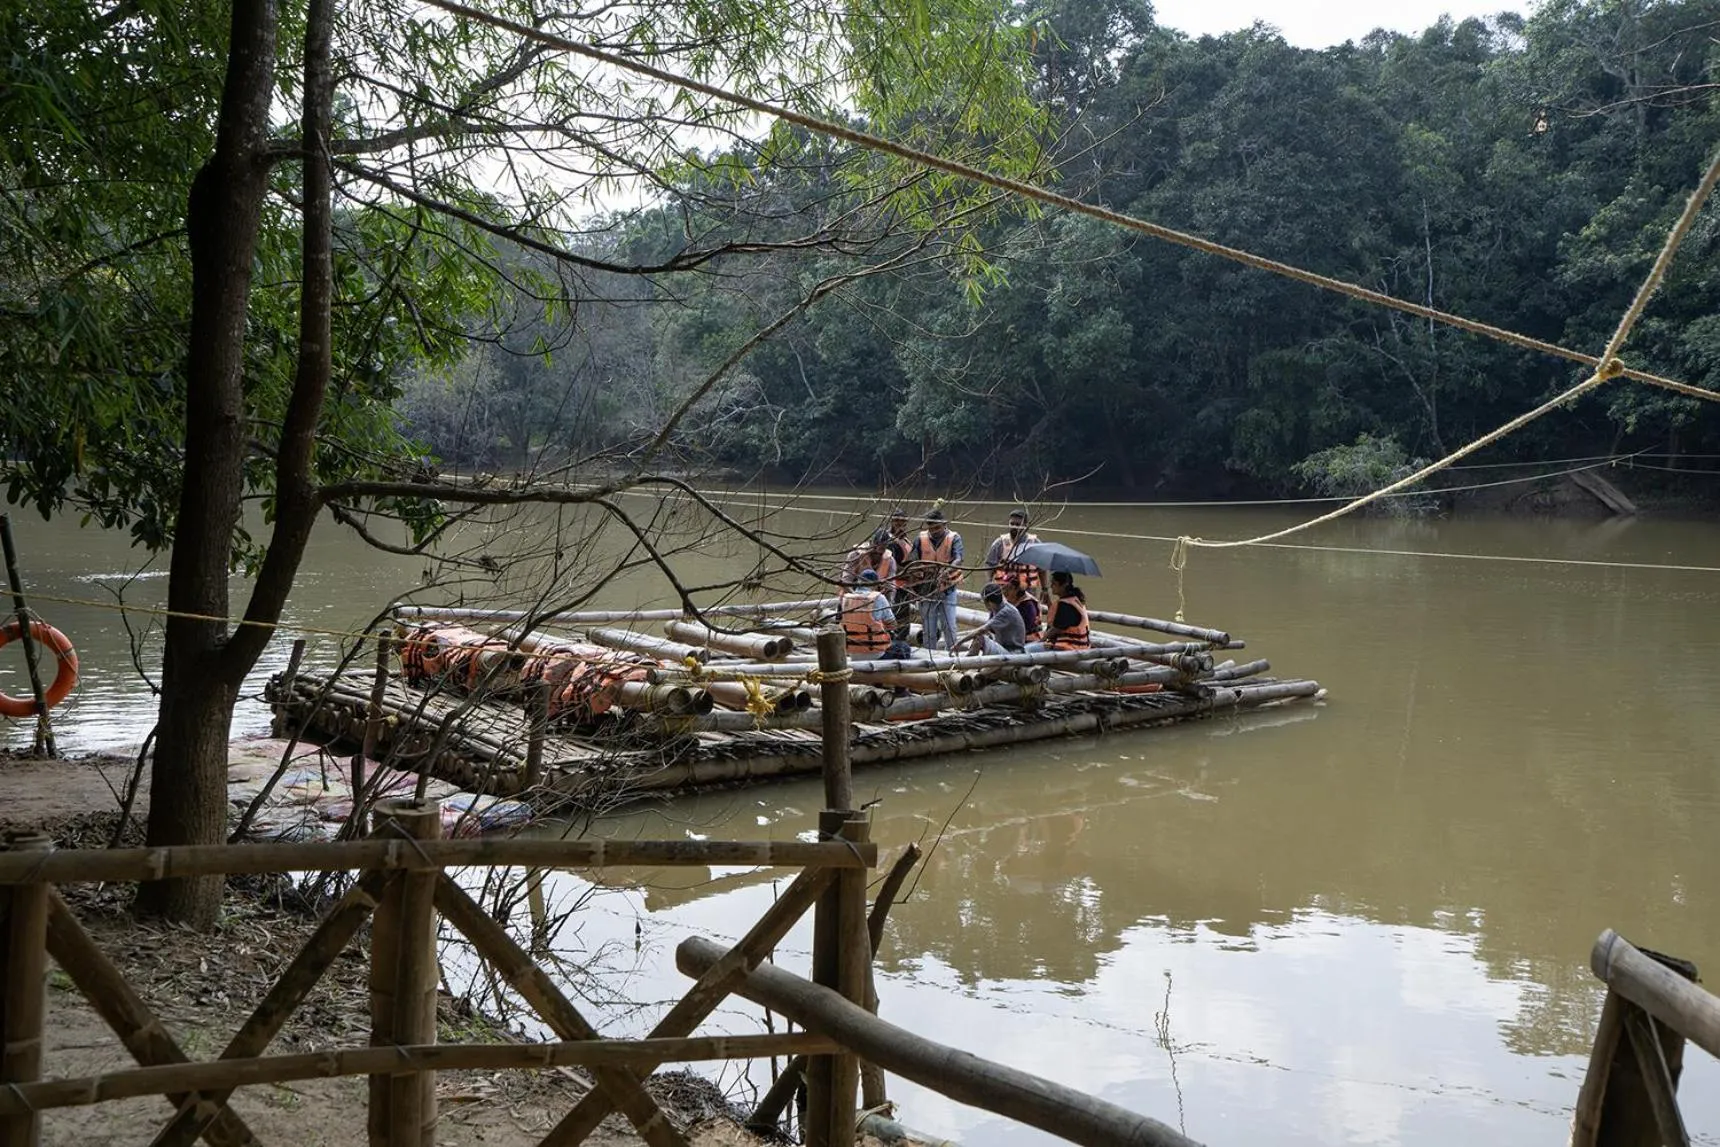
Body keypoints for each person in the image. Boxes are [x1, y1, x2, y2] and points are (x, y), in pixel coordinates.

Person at [904, 508, 963, 651]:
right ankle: (930, 658)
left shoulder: (954, 538)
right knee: (929, 630)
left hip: (947, 588)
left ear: (944, 524)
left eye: (937, 527)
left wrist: (946, 570)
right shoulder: (920, 539)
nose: (935, 531)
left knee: (949, 626)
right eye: (931, 529)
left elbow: (958, 559)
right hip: (926, 589)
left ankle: (953, 657)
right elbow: (912, 563)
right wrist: (912, 587)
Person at [839, 569, 900, 658]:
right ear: (874, 584)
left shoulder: (846, 599)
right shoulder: (879, 598)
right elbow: (893, 625)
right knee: (904, 648)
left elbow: (840, 621)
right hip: (876, 652)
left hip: (852, 653)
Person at [983, 508, 1045, 595]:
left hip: (1027, 594)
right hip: (1004, 593)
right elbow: (989, 565)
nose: (1014, 527)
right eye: (1012, 523)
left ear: (1025, 525)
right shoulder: (999, 543)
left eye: (1018, 524)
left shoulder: (1035, 543)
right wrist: (988, 584)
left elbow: (1042, 569)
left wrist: (1044, 589)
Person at [1026, 570, 1089, 652]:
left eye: (1054, 584)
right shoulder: (1074, 599)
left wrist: (1040, 641)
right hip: (1077, 646)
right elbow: (1058, 617)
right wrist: (1048, 602)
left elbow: (1056, 629)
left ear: (1064, 585)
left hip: (1068, 648)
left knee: (1025, 650)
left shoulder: (1066, 605)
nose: (1051, 586)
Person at [965, 582, 1026, 655]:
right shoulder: (998, 608)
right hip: (1005, 647)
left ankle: (968, 663)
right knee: (985, 636)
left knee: (980, 637)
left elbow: (982, 630)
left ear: (990, 603)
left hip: (1014, 653)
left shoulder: (1005, 611)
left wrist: (959, 643)